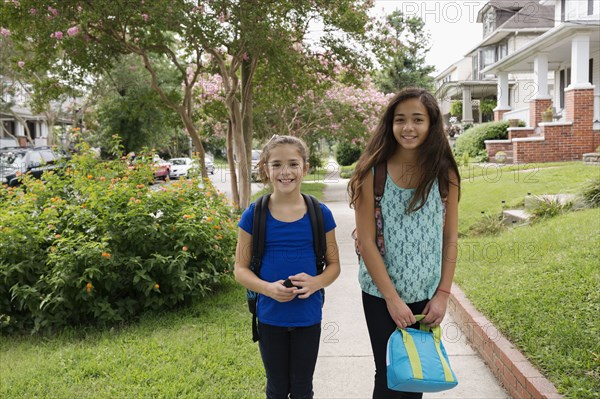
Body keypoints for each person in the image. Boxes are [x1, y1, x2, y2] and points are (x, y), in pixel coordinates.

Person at [348, 88, 460, 399]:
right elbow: (367, 242)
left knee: (417, 376)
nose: (408, 127)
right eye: (400, 120)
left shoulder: (444, 173)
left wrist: (443, 294)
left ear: (431, 124)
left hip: (426, 296)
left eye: (417, 120)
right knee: (389, 377)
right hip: (381, 294)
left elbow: (450, 238)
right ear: (389, 124)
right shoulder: (372, 173)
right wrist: (392, 300)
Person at [234, 135, 341, 399]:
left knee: (303, 387)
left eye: (293, 164)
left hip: (308, 318)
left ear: (305, 168)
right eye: (276, 164)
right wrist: (268, 289)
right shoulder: (253, 215)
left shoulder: (320, 214)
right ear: (266, 169)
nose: (285, 172)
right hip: (270, 317)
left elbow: (334, 265)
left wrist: (317, 282)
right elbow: (240, 269)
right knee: (277, 388)